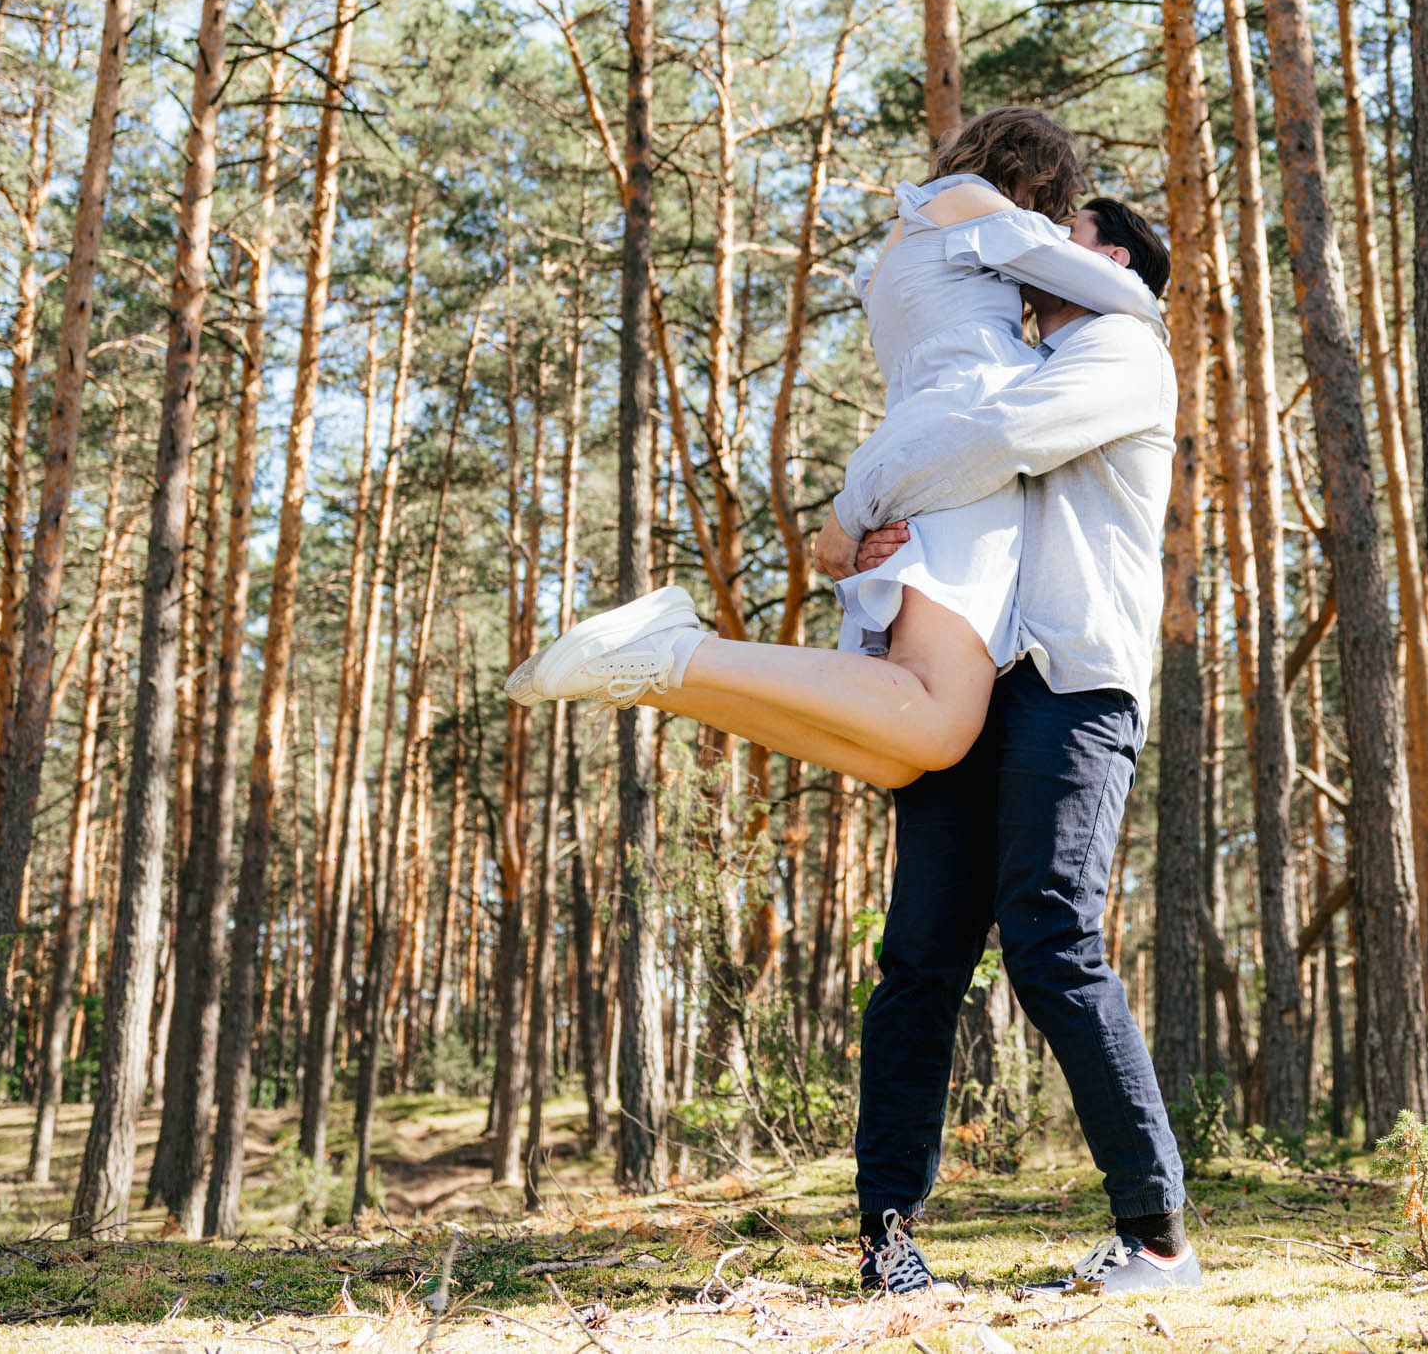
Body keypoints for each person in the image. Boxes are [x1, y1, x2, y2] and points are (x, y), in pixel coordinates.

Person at [503, 106, 1161, 789]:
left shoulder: (905, 243)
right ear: (1034, 176)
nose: (1054, 224)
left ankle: (650, 675)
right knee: (936, 720)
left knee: (896, 757)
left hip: (913, 449)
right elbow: (1125, 295)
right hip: (959, 455)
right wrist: (1133, 290)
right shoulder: (976, 206)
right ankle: (679, 652)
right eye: (1054, 208)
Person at [818, 193, 1197, 1300]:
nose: (1014, 252)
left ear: (1110, 259)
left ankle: (1156, 1236)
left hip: (1073, 682)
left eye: (1052, 235)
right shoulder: (1008, 355)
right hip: (971, 679)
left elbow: (989, 442)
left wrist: (852, 508)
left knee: (1049, 935)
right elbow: (939, 481)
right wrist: (856, 548)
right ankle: (888, 1242)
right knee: (919, 954)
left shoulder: (1122, 349)